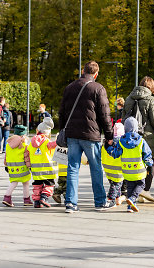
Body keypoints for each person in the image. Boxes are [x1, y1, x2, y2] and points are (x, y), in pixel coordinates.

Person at [59, 60, 114, 213]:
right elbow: (105, 114)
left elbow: (62, 111)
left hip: (72, 134)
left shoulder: (69, 88)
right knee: (96, 168)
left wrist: (63, 129)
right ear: (96, 74)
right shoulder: (98, 88)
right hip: (91, 135)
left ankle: (70, 203)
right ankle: (100, 202)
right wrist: (109, 135)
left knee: (72, 168)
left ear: (83, 71)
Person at [122, 76, 154, 203]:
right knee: (153, 161)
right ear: (152, 87)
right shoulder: (151, 99)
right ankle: (144, 190)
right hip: (148, 137)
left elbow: (123, 119)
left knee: (134, 162)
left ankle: (133, 191)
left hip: (131, 137)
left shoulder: (128, 98)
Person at [107, 117, 153, 212]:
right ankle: (132, 198)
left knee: (130, 186)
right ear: (136, 128)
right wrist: (149, 163)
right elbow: (147, 154)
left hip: (126, 170)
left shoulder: (121, 141)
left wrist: (108, 148)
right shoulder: (141, 141)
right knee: (141, 184)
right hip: (139, 170)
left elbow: (115, 153)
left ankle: (130, 206)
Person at [24, 117, 57, 208]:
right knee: (49, 184)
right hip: (47, 169)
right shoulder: (46, 141)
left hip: (36, 170)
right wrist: (59, 141)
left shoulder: (31, 142)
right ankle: (44, 198)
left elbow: (28, 152)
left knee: (37, 185)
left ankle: (37, 202)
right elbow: (53, 145)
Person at [2, 125, 33, 207]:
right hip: (23, 167)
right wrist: (30, 166)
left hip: (12, 168)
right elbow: (27, 157)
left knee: (14, 182)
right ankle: (26, 199)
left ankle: (7, 197)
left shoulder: (8, 144)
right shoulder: (24, 145)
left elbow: (6, 155)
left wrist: (6, 164)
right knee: (25, 183)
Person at [102, 123, 125, 209]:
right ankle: (110, 199)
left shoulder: (106, 143)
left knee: (114, 184)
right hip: (118, 169)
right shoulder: (123, 143)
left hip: (108, 169)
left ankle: (117, 198)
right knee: (116, 185)